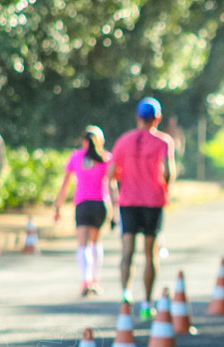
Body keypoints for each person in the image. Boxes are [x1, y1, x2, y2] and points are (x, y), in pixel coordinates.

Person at [107, 97, 176, 321]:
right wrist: (166, 186)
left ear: (137, 117)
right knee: (150, 253)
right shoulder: (164, 141)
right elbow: (168, 172)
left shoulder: (123, 140)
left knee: (127, 250)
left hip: (128, 202)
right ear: (158, 118)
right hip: (153, 202)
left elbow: (111, 174)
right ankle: (147, 303)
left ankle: (125, 295)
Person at [54, 125, 117, 297]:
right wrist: (116, 210)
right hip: (100, 205)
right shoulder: (106, 158)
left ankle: (85, 281)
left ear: (83, 141)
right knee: (95, 243)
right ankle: (95, 280)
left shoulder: (76, 157)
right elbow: (112, 186)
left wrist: (57, 206)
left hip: (82, 205)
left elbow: (65, 184)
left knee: (83, 244)